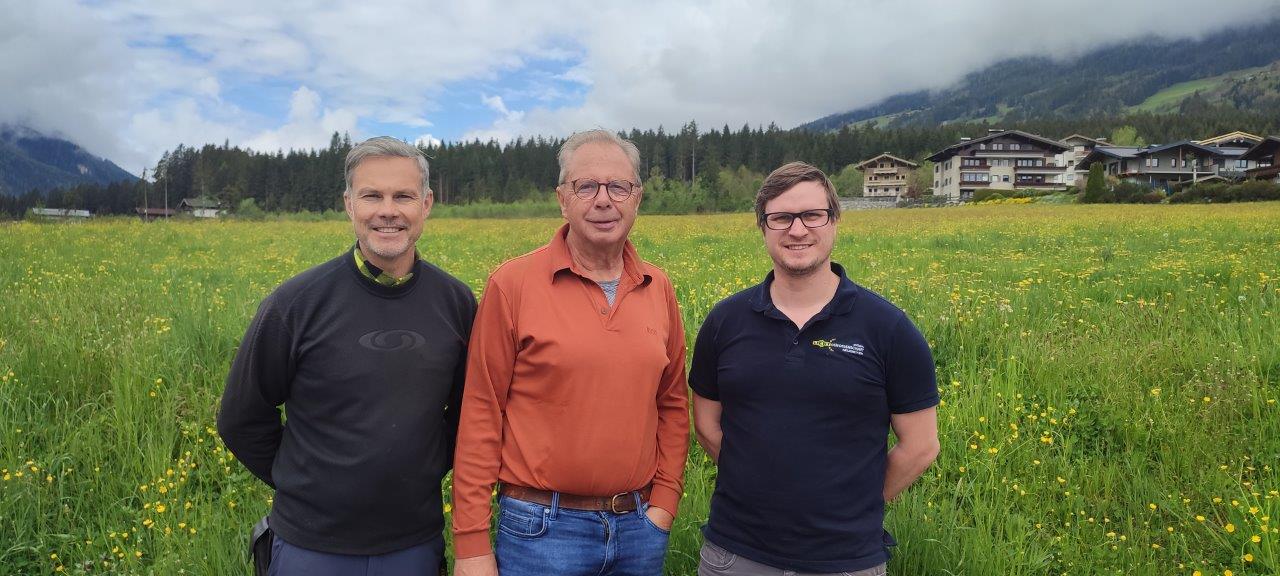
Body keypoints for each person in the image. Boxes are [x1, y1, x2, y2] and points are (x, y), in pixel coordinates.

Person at [217, 136, 477, 576]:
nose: (388, 211)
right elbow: (241, 419)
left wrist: (426, 468)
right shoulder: (295, 304)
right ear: (348, 204)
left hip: (413, 544)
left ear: (426, 204)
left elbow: (470, 414)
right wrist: (306, 484)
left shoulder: (456, 303)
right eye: (372, 195)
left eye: (403, 196)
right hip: (309, 547)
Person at [451, 129, 689, 576]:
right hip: (540, 532)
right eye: (586, 186)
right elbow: (482, 411)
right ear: (563, 199)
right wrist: (471, 545)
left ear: (637, 198)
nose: (604, 200)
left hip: (639, 528)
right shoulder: (512, 284)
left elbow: (672, 404)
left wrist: (665, 503)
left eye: (618, 187)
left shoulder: (658, 287)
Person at [689, 162, 940, 576]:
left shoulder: (889, 328)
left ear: (834, 221)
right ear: (763, 227)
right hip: (735, 553)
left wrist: (853, 505)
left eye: (812, 215)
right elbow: (706, 425)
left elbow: (921, 446)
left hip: (846, 560)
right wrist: (758, 485)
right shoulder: (724, 322)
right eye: (781, 218)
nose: (797, 229)